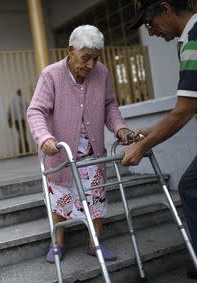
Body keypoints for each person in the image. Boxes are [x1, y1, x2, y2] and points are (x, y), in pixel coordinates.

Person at [124, 0, 197, 280]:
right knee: (191, 185)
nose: (150, 32)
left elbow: (183, 111)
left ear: (165, 9)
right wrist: (152, 130)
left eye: (149, 23)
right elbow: (189, 103)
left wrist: (142, 146)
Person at [27, 25, 134, 263]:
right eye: (86, 58)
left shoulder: (102, 73)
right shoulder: (51, 75)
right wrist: (45, 138)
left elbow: (109, 105)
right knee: (60, 200)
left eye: (96, 59)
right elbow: (36, 111)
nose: (91, 65)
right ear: (70, 50)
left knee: (96, 198)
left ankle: (94, 243)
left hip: (92, 152)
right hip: (61, 152)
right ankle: (58, 242)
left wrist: (120, 128)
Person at [7, 89, 30, 154]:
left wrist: (9, 120)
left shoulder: (13, 101)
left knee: (21, 135)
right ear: (20, 93)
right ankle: (24, 151)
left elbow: (9, 111)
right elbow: (29, 109)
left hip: (16, 120)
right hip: (21, 120)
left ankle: (24, 151)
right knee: (23, 135)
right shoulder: (23, 100)